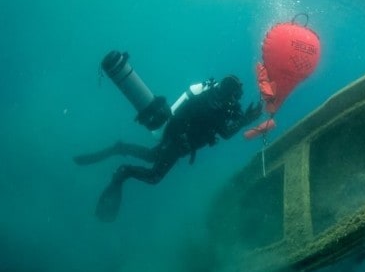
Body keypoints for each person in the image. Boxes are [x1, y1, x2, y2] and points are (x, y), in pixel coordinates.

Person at [74, 75, 261, 222]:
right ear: (228, 93)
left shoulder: (213, 97)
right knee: (154, 176)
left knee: (151, 155)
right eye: (235, 96)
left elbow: (225, 121)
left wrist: (242, 116)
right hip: (178, 142)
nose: (236, 101)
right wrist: (245, 120)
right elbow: (226, 133)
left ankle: (121, 148)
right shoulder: (214, 105)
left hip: (175, 135)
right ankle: (125, 171)